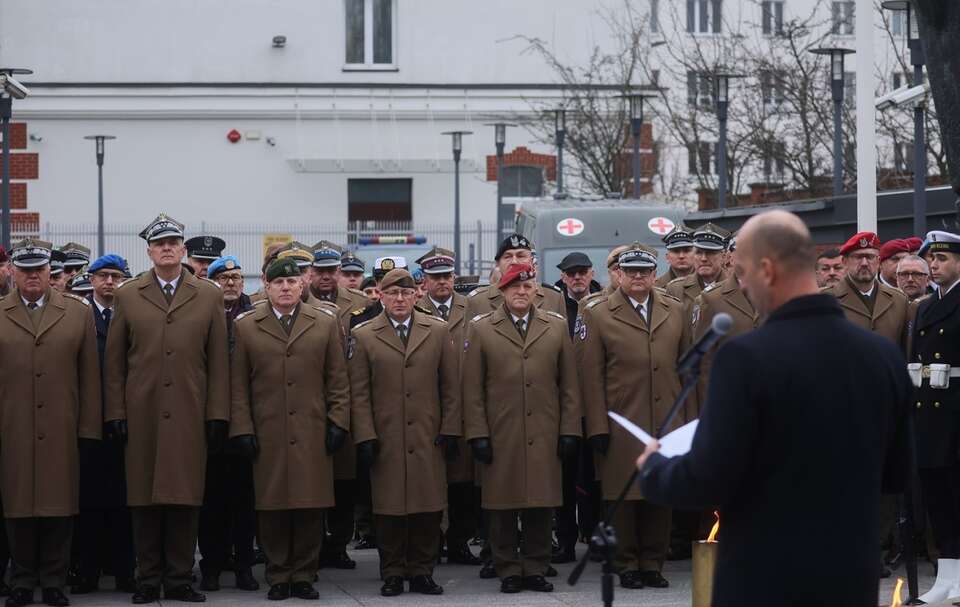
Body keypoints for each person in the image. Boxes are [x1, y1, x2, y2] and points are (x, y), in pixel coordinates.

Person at [635, 210, 909, 607]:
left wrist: (653, 469)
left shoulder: (745, 358)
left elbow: (709, 479)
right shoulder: (881, 355)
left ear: (766, 269)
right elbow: (897, 471)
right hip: (850, 574)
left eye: (742, 271)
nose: (740, 283)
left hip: (765, 576)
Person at [104, 213, 230, 604]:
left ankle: (178, 578)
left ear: (183, 249)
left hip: (190, 411)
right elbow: (114, 362)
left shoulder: (207, 294)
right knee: (143, 499)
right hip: (141, 412)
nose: (168, 248)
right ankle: (148, 578)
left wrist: (217, 414)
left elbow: (218, 362)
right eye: (160, 244)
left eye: (174, 242)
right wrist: (116, 414)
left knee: (185, 497)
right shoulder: (128, 293)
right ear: (149, 251)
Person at [229, 257, 351, 601]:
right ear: (266, 287)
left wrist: (338, 422)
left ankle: (304, 574)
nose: (285, 288)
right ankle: (279, 573)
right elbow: (238, 385)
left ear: (303, 285)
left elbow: (338, 380)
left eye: (292, 282)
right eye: (278, 283)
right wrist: (243, 428)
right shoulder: (247, 325)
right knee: (272, 507)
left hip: (312, 430)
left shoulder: (324, 323)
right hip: (268, 432)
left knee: (310, 506)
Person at [463, 263, 581, 594]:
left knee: (542, 504)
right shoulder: (483, 328)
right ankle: (507, 567)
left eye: (527, 287)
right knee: (501, 505)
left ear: (535, 291)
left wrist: (569, 429)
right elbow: (471, 389)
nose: (521, 292)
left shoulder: (555, 327)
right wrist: (478, 434)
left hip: (545, 429)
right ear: (502, 290)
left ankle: (535, 567)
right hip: (502, 431)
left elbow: (569, 384)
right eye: (515, 286)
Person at [579, 243, 688, 589]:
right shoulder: (597, 313)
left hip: (667, 418)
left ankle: (652, 562)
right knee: (623, 495)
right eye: (631, 272)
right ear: (620, 276)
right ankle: (625, 562)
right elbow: (590, 376)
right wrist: (596, 425)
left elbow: (687, 370)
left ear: (655, 275)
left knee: (659, 494)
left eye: (644, 271)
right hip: (622, 419)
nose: (638, 277)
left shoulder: (675, 309)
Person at [0, 239, 102, 607]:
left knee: (60, 507)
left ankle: (55, 580)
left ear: (49, 272)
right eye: (24, 270)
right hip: (13, 427)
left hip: (62, 427)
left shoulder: (77, 313)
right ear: (13, 272)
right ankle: (24, 580)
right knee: (18, 508)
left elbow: (90, 378)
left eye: (39, 270)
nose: (32, 276)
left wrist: (89, 430)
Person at [349, 268, 460, 596]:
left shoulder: (438, 332)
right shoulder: (365, 335)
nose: (399, 299)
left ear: (417, 295)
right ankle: (393, 571)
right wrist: (365, 435)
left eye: (406, 293)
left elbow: (451, 387)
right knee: (389, 508)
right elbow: (359, 392)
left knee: (429, 506)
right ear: (380, 296)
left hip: (428, 435)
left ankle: (423, 571)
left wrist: (451, 429)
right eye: (392, 293)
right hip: (387, 437)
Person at [74, 254, 136, 596]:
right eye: (103, 276)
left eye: (116, 276)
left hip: (126, 421)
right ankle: (87, 572)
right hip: (88, 420)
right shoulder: (78, 315)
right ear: (92, 280)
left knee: (124, 501)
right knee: (89, 501)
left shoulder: (134, 313)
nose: (109, 282)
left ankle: (125, 570)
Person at [415, 247, 481, 566]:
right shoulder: (414, 309)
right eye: (435, 277)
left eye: (447, 276)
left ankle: (458, 541)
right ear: (424, 281)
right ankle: (432, 543)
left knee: (462, 483)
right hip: (426, 408)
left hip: (464, 406)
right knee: (429, 481)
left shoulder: (471, 308)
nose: (442, 283)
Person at [197, 255, 258, 593]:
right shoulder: (204, 316)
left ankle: (245, 566)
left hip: (247, 423)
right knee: (212, 503)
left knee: (244, 503)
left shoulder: (254, 317)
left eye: (236, 277)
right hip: (210, 424)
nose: (231, 283)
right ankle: (211, 566)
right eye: (224, 278)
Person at [307, 241, 368, 569]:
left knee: (345, 484)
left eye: (333, 271)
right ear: (311, 274)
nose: (327, 277)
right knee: (315, 481)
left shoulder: (359, 304)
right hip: (314, 403)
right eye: (321, 271)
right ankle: (313, 546)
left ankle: (338, 545)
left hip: (350, 403)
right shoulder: (303, 304)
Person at [908, 230, 960, 602]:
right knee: (939, 500)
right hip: (930, 412)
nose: (935, 266)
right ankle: (948, 577)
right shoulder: (925, 306)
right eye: (933, 260)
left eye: (942, 259)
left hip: (956, 411)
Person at [824, 232, 909, 349]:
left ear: (878, 261)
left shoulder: (899, 300)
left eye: (870, 257)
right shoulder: (825, 300)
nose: (864, 263)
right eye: (858, 257)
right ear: (844, 262)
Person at [466, 235, 566, 321]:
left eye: (520, 256)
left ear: (531, 261)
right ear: (498, 264)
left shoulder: (554, 298)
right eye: (508, 256)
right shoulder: (477, 301)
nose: (514, 261)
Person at [665, 223, 730, 311]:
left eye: (710, 252)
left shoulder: (737, 288)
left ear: (724, 257)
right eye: (698, 252)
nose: (703, 258)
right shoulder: (676, 289)